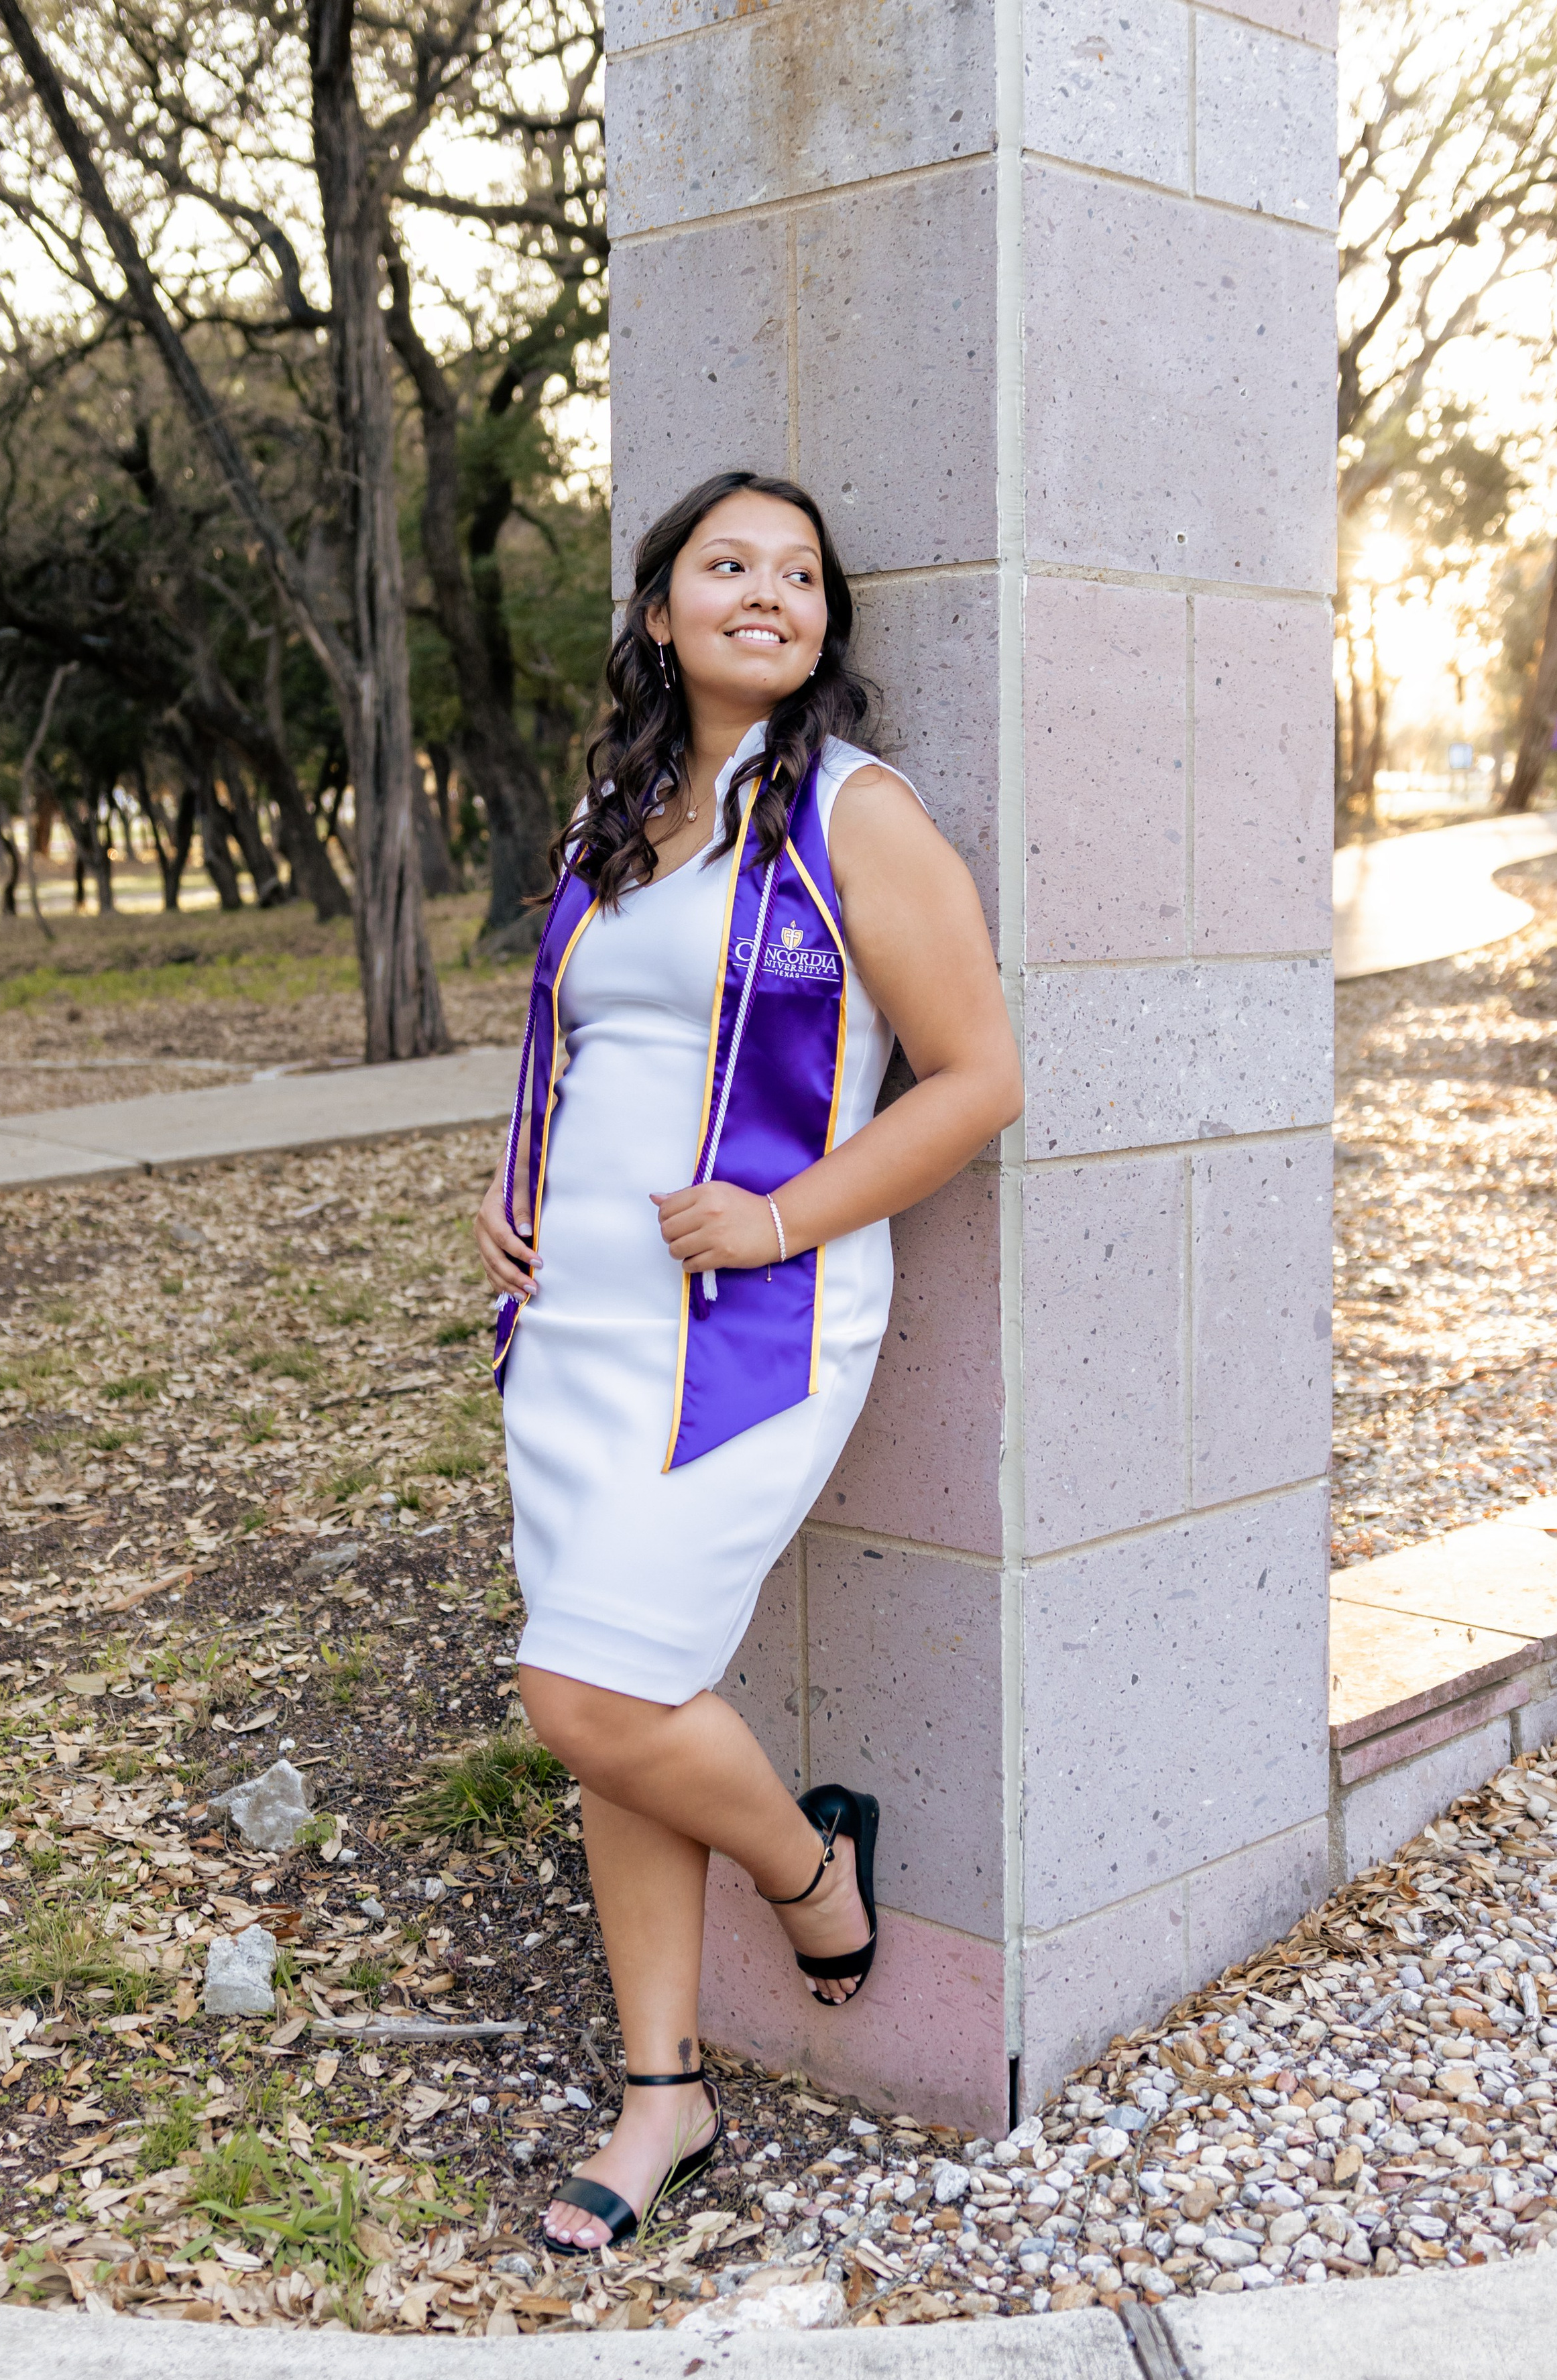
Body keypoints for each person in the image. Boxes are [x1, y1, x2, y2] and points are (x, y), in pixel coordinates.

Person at [475, 469, 1023, 2253]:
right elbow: (580, 1044)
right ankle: (663, 2095)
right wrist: (517, 1201)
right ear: (660, 612)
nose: (769, 592)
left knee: (590, 1688)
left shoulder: (857, 817)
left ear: (822, 628)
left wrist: (781, 1221)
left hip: (753, 1332)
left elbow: (974, 1077)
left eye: (800, 574)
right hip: (581, 1337)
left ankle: (807, 1871)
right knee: (607, 1704)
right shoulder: (617, 811)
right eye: (729, 565)